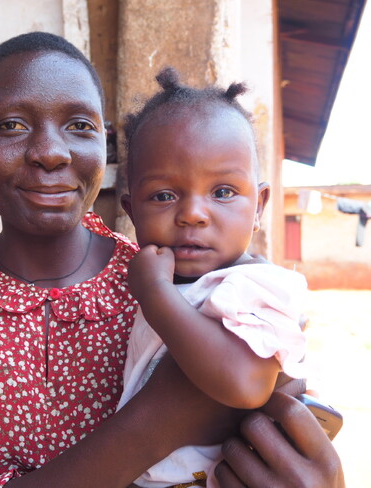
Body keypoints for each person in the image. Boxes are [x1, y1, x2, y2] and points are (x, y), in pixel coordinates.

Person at [0, 32, 345, 488]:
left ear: (104, 146)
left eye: (80, 126)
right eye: (12, 125)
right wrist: (159, 421)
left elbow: (280, 417)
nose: (50, 153)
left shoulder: (187, 281)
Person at [117, 68, 309, 487]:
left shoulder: (258, 285)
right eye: (164, 195)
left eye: (223, 192)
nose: (192, 214)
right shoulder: (171, 281)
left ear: (259, 206)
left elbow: (246, 385)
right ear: (132, 213)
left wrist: (154, 293)